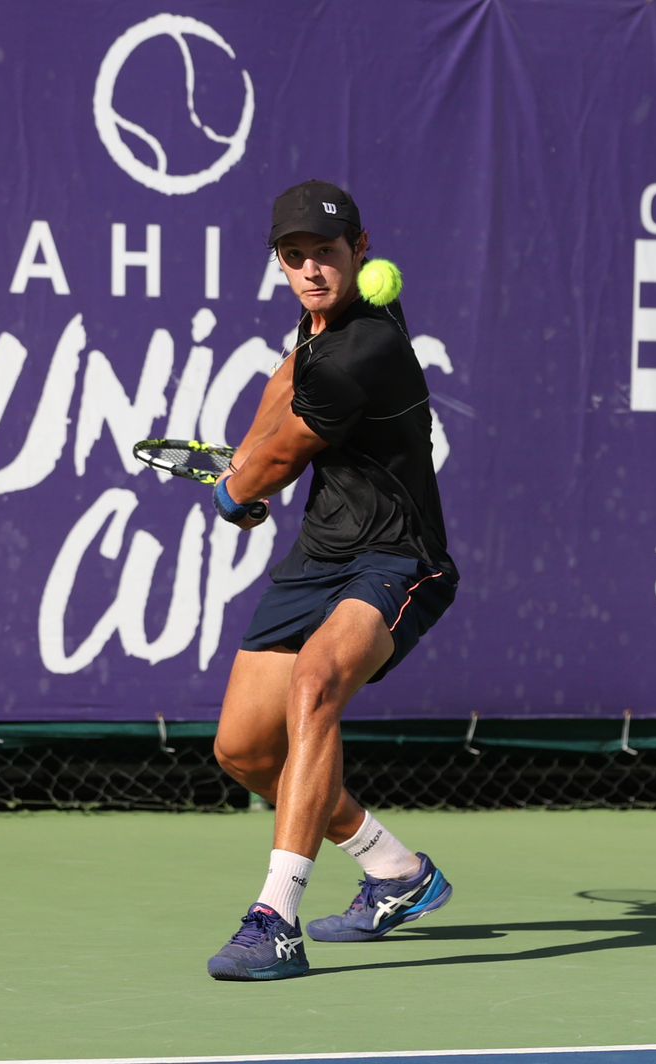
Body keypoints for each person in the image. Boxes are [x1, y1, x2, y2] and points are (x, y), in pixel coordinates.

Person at [204, 179, 460, 981]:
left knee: (314, 685)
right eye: (295, 256)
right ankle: (396, 871)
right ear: (280, 263)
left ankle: (275, 920)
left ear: (360, 250)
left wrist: (236, 491)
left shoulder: (365, 347)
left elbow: (285, 455)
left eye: (326, 252)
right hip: (320, 555)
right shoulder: (321, 328)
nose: (312, 269)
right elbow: (285, 383)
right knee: (245, 752)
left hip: (397, 558)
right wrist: (242, 462)